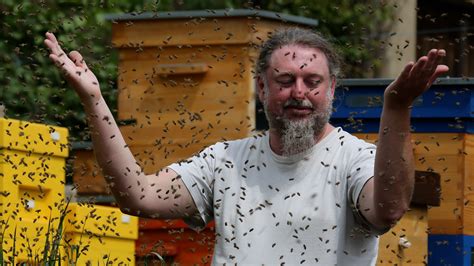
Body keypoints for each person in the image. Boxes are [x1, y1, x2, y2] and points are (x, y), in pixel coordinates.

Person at [44, 27, 448, 265]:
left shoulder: (353, 159)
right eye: (285, 80)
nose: (299, 93)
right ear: (261, 88)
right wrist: (94, 100)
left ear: (332, 90)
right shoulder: (227, 161)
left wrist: (396, 107)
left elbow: (389, 208)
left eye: (312, 82)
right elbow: (140, 196)